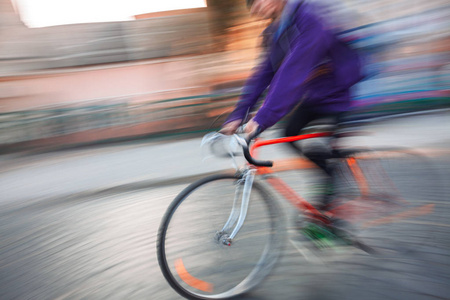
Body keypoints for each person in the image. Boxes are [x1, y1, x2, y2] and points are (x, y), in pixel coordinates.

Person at [221, 0, 363, 226]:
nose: (256, 7)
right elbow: (263, 75)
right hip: (315, 94)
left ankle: (331, 204)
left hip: (340, 90)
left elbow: (293, 72)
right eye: (253, 4)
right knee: (290, 133)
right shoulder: (274, 31)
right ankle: (328, 176)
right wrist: (238, 114)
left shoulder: (309, 17)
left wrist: (262, 118)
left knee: (326, 149)